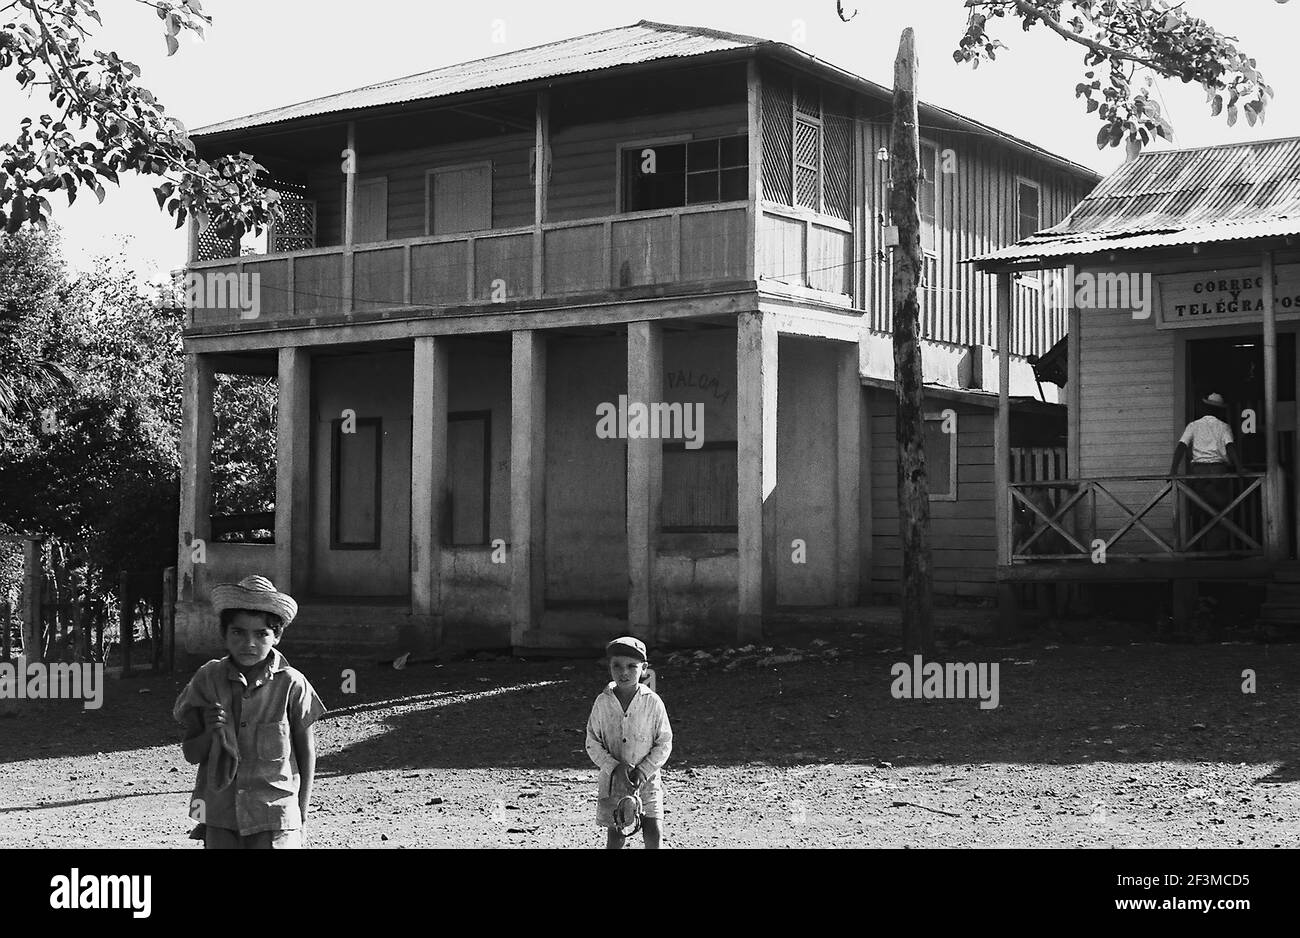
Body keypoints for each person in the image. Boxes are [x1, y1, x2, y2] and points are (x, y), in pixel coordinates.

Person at [173, 575, 325, 849]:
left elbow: (306, 751)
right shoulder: (208, 679)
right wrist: (209, 730)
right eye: (238, 632)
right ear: (223, 633)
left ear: (276, 636)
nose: (249, 643)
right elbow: (191, 754)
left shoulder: (292, 684)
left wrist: (300, 815)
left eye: (261, 634)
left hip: (276, 816)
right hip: (220, 816)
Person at [585, 636, 673, 849]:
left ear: (644, 668)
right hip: (614, 780)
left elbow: (664, 742)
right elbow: (592, 742)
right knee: (616, 834)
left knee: (653, 830)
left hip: (647, 779)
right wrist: (614, 768)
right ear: (609, 667)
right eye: (617, 666)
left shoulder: (652, 702)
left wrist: (644, 770)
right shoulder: (603, 702)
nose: (623, 672)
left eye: (631, 666)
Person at [1170, 392, 1244, 552]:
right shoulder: (1224, 426)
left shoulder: (1193, 425)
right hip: (1218, 471)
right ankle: (1217, 549)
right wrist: (1239, 469)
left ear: (1205, 408)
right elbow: (1230, 447)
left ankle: (1197, 549)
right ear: (1220, 410)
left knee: (1198, 509)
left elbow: (1181, 446)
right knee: (1220, 511)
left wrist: (1172, 471)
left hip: (1199, 472)